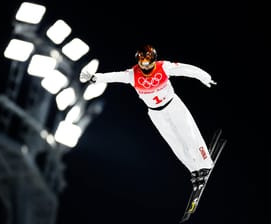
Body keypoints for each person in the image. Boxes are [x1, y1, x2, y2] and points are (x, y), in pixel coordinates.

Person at [80, 44, 217, 187]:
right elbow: (115, 76)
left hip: (173, 105)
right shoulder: (133, 74)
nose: (145, 67)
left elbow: (185, 69)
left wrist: (204, 76)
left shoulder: (163, 67)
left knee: (189, 133)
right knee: (174, 142)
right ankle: (194, 169)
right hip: (155, 112)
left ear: (153, 61)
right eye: (142, 63)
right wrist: (95, 78)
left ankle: (205, 163)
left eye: (147, 63)